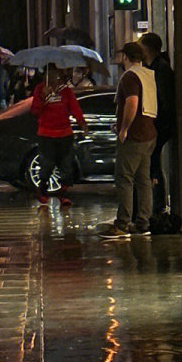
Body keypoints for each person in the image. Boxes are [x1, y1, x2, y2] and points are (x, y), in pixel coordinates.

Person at [99, 42, 157, 238]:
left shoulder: (130, 76)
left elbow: (132, 102)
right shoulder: (148, 74)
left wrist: (124, 128)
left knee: (124, 178)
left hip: (135, 135)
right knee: (143, 180)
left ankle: (123, 224)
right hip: (149, 132)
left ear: (125, 56)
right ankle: (143, 222)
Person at [30, 66, 87, 206]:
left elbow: (75, 108)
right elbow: (35, 111)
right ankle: (42, 191)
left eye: (56, 75)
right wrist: (44, 98)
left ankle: (63, 195)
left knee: (65, 165)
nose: (53, 78)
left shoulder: (65, 91)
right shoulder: (40, 89)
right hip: (46, 134)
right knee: (47, 165)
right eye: (50, 75)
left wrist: (82, 123)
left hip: (64, 134)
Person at [139, 32, 176, 215]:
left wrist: (157, 122)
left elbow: (164, 99)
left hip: (160, 125)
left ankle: (157, 205)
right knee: (152, 164)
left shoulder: (160, 69)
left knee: (152, 165)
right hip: (160, 124)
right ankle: (156, 204)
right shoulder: (157, 67)